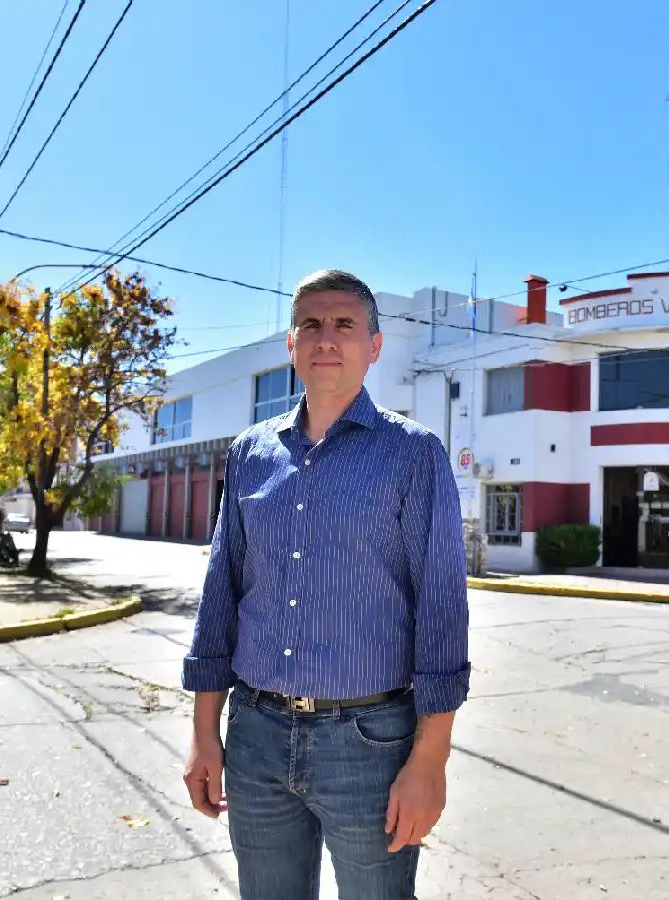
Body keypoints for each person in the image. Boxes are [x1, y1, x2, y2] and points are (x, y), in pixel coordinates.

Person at [182, 269, 471, 899]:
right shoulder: (250, 453)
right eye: (311, 324)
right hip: (254, 738)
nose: (326, 338)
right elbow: (222, 593)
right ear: (291, 344)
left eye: (345, 324)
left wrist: (431, 760)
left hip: (369, 745)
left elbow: (442, 609)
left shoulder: (413, 454)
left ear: (374, 345)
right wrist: (206, 734)